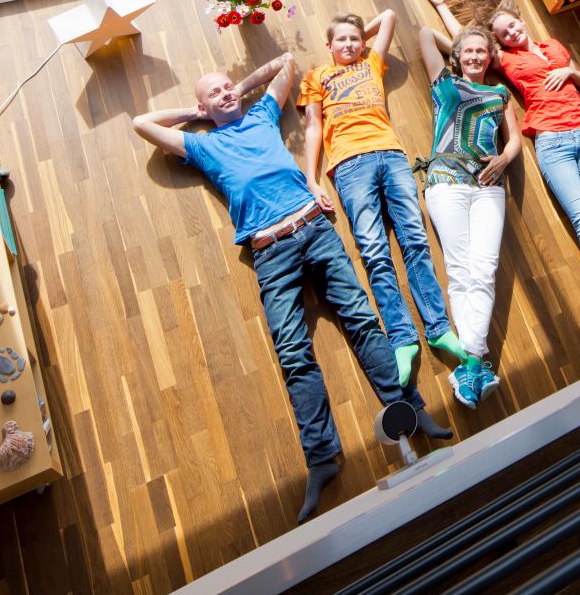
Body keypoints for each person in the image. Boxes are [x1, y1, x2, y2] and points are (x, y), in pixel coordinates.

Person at [132, 56, 450, 523]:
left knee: (361, 321)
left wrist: (239, 86)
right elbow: (142, 122)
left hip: (314, 228)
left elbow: (284, 64)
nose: (225, 93)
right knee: (293, 352)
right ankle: (322, 458)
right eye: (214, 92)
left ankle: (408, 408)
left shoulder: (260, 114)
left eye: (227, 86)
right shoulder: (201, 146)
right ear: (203, 105)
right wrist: (195, 112)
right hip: (270, 251)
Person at [426, 0, 580, 332]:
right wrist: (442, 6)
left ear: (522, 22)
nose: (512, 35)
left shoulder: (554, 47)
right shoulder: (506, 61)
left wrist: (569, 75)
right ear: (501, 43)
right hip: (551, 140)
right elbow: (464, 46)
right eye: (504, 35)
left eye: (513, 27)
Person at [298, 10, 465, 385]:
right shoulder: (316, 77)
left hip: (391, 154)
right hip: (348, 164)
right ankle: (404, 338)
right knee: (374, 252)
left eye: (355, 39)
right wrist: (311, 179)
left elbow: (390, 15)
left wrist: (358, 35)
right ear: (328, 46)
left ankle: (438, 328)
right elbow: (313, 126)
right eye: (341, 40)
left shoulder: (372, 61)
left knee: (415, 241)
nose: (350, 44)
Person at [413, 5, 523, 407]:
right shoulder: (444, 84)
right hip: (446, 182)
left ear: (492, 58)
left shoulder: (499, 93)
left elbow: (514, 139)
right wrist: (462, 43)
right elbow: (427, 34)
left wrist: (505, 159)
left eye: (483, 52)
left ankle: (470, 365)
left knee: (485, 269)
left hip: (489, 184)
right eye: (469, 52)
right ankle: (475, 362)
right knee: (461, 271)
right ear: (457, 57)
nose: (477, 57)